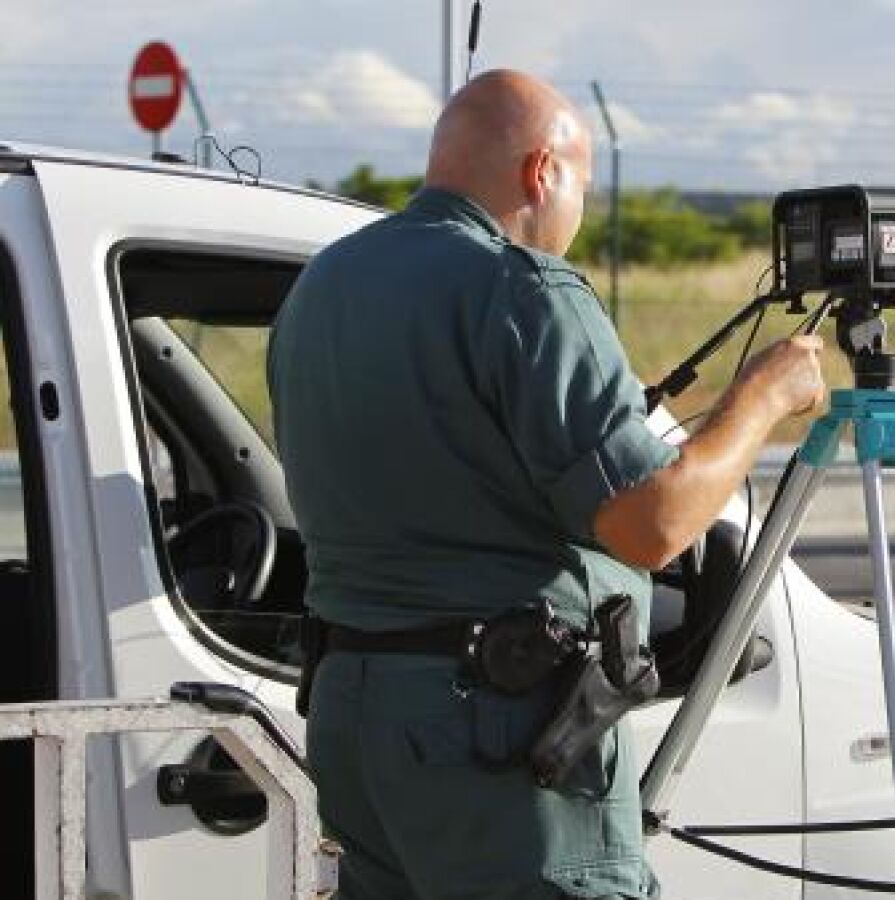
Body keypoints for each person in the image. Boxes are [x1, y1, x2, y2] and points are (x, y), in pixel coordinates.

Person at [268, 70, 825, 900]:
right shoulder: (520, 287)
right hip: (490, 736)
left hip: (355, 713)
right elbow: (652, 525)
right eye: (582, 188)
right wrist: (764, 397)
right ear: (542, 171)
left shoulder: (324, 286)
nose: (578, 213)